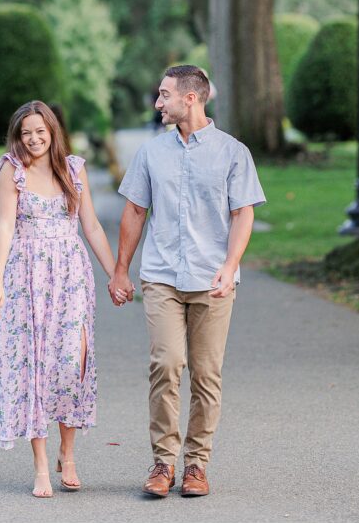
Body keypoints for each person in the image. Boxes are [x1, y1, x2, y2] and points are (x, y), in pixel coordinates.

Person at [108, 65, 266, 499]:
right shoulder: (151, 153)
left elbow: (243, 213)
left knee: (206, 375)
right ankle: (163, 463)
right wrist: (121, 270)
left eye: (164, 95)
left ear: (191, 98)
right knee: (166, 363)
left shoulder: (233, 152)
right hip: (161, 277)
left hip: (212, 279)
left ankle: (196, 465)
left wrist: (231, 265)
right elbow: (135, 212)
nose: (158, 103)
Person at [0, 100, 124, 498]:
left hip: (71, 277)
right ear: (18, 135)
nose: (33, 139)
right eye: (26, 132)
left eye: (40, 131)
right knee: (34, 368)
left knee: (70, 364)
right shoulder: (12, 170)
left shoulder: (74, 169)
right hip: (27, 276)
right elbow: (5, 227)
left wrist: (115, 273)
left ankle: (69, 454)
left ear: (52, 131)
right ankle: (42, 466)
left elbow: (93, 227)